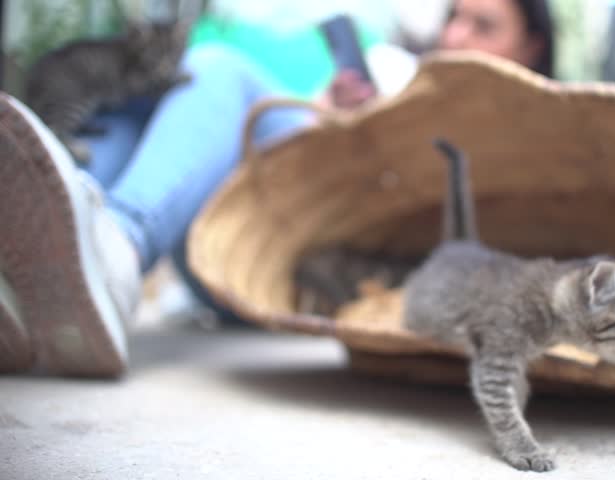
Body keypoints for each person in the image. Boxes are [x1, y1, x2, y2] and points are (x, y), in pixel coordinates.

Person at [0, 0, 556, 377]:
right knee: (124, 114)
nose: (457, 34)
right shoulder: (393, 68)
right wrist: (327, 113)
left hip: (299, 271)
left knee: (214, 69)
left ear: (532, 46)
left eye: (485, 27)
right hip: (248, 229)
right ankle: (37, 280)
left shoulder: (550, 142)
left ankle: (111, 249)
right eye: (457, 16)